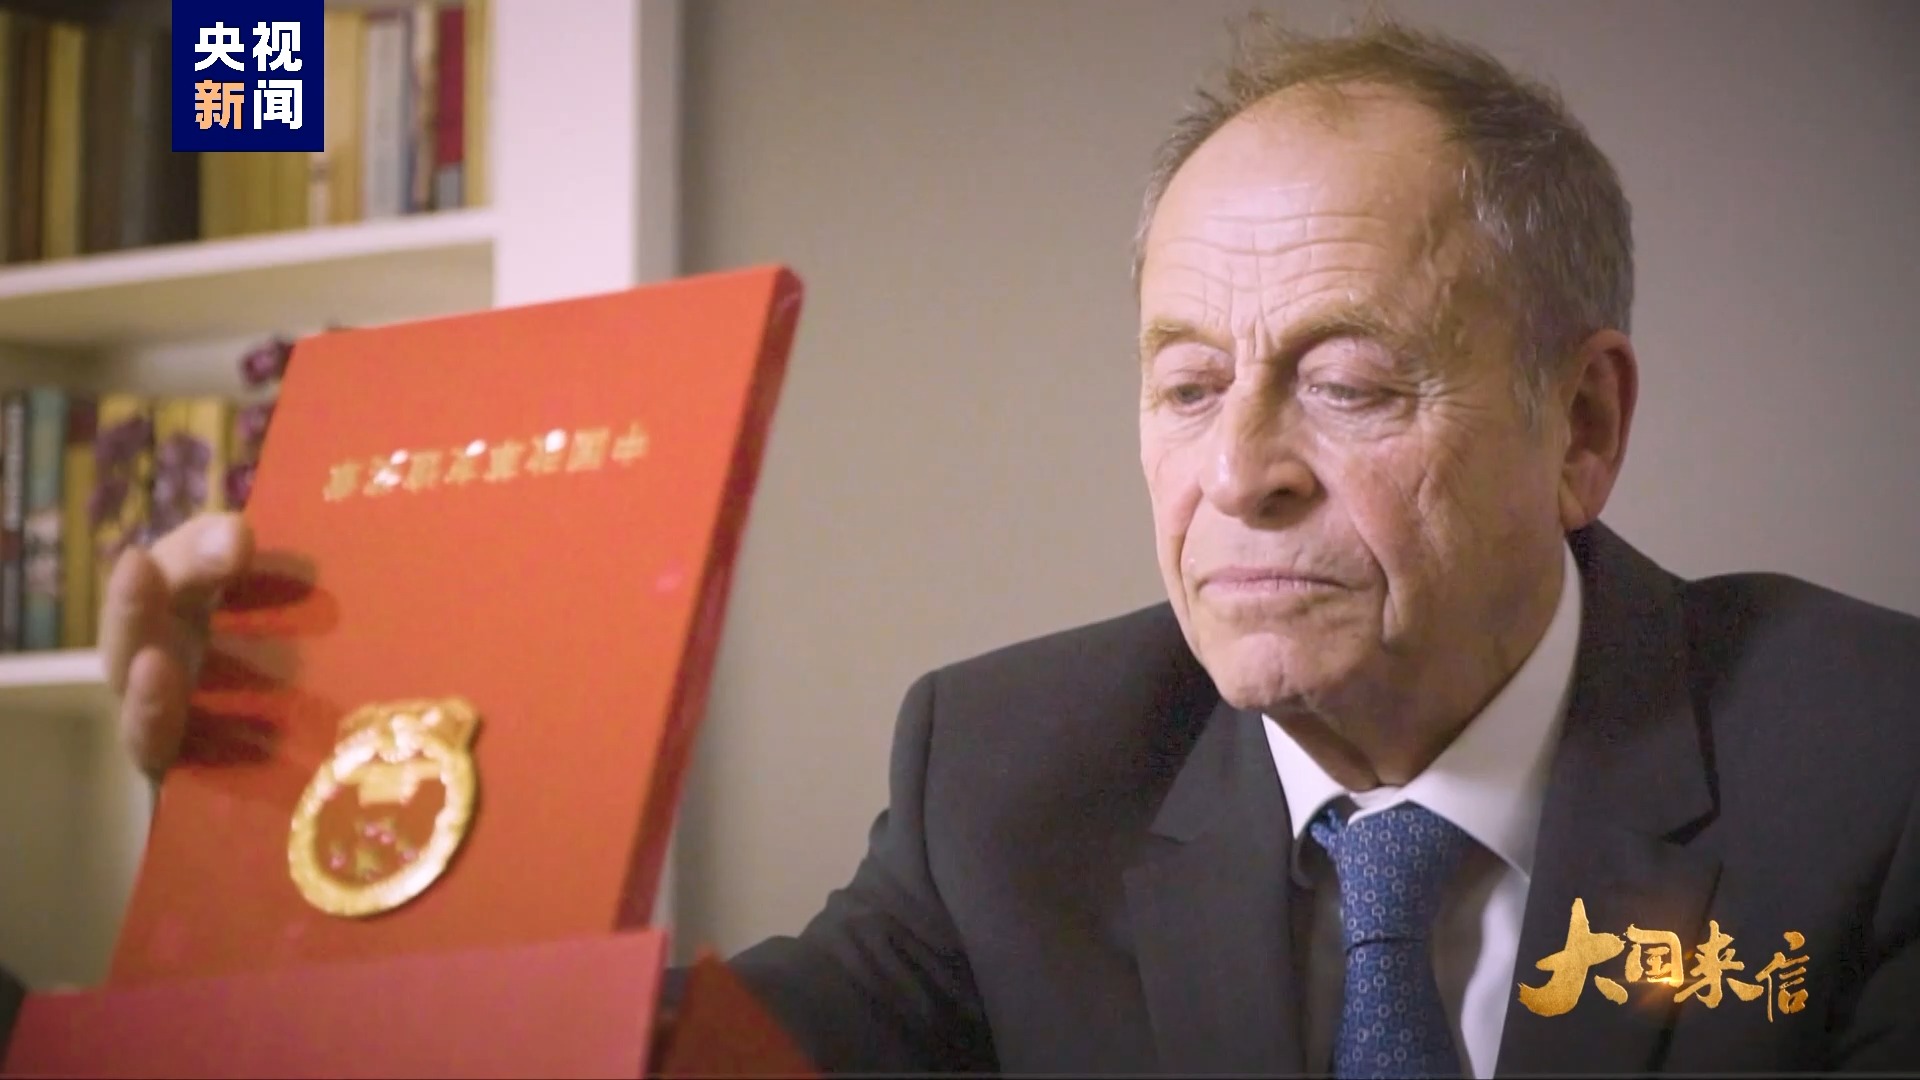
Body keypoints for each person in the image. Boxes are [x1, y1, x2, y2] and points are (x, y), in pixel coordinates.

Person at [98, 16, 1919, 1078]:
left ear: (1582, 426)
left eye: (1350, 384)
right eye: (1185, 384)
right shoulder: (1012, 774)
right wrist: (325, 824)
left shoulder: (1871, 762)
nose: (1240, 473)